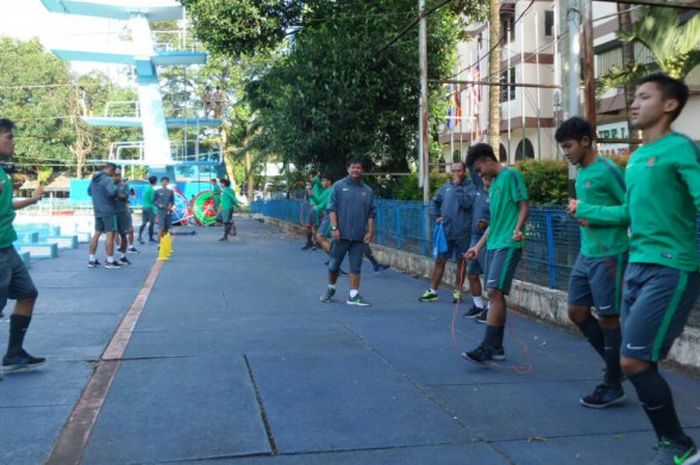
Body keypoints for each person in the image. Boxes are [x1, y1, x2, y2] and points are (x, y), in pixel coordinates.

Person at [571, 73, 700, 464]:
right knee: (640, 358)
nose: (634, 103)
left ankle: (679, 445)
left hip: (670, 266)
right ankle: (673, 444)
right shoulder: (638, 158)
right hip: (636, 264)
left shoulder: (682, 149)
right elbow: (630, 211)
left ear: (669, 105)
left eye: (644, 96)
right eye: (635, 96)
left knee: (633, 360)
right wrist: (587, 211)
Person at [556, 116, 628, 409]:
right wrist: (586, 215)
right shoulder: (582, 173)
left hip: (610, 254)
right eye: (562, 147)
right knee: (576, 311)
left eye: (569, 146)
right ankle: (619, 365)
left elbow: (630, 210)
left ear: (586, 141)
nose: (566, 152)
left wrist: (588, 210)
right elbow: (597, 213)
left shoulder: (607, 170)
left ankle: (613, 382)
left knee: (609, 317)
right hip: (587, 255)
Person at [463, 143, 529, 363]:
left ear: (488, 160)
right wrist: (477, 247)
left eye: (479, 169)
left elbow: (523, 206)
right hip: (493, 244)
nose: (479, 173)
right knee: (494, 293)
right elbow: (495, 221)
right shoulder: (493, 185)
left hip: (508, 244)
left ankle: (488, 347)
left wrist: (518, 229)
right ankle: (496, 347)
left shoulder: (511, 176)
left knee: (493, 291)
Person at [0, 118, 46, 377]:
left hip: (7, 246)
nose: (12, 141)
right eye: (8, 136)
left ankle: (14, 352)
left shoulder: (2, 174)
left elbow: (6, 207)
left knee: (27, 293)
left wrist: (32, 200)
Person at [320, 159, 376, 306]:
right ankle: (331, 288)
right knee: (333, 266)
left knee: (356, 267)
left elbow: (371, 214)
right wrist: (334, 228)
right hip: (340, 236)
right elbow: (332, 209)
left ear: (362, 170)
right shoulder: (338, 186)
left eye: (358, 167)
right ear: (348, 169)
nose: (356, 170)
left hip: (358, 237)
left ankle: (353, 295)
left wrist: (370, 232)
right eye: (353, 167)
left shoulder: (368, 191)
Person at [419, 162, 476, 304]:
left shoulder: (471, 187)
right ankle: (433, 291)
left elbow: (467, 204)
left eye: (459, 171)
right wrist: (436, 216)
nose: (456, 173)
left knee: (461, 262)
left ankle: (457, 292)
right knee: (440, 260)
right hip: (446, 231)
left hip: (463, 232)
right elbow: (435, 202)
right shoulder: (446, 187)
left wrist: (458, 188)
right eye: (454, 171)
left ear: (464, 172)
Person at [463, 176, 492, 321]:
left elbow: (501, 219)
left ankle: (490, 309)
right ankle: (478, 304)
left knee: (489, 277)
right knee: (472, 273)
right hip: (475, 237)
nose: (483, 176)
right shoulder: (480, 188)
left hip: (489, 239)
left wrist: (487, 224)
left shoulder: (497, 194)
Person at [88, 162, 125, 269]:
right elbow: (113, 192)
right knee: (110, 235)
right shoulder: (108, 180)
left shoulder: (94, 179)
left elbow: (89, 192)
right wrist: (116, 184)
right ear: (111, 169)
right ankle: (109, 260)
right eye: (115, 172)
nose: (115, 174)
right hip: (108, 210)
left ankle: (92, 259)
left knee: (97, 234)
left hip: (97, 210)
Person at [114, 169, 134, 266]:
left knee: (124, 234)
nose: (116, 177)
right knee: (111, 234)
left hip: (122, 213)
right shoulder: (109, 185)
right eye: (114, 175)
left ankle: (123, 256)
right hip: (111, 213)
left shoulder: (124, 186)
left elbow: (125, 197)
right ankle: (109, 258)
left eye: (118, 175)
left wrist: (115, 195)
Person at [302, 173, 323, 250]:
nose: (311, 178)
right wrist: (308, 186)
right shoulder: (313, 186)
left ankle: (318, 243)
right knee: (308, 225)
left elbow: (316, 181)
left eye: (313, 177)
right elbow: (309, 195)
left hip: (317, 208)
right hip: (311, 207)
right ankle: (309, 242)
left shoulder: (320, 185)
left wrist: (315, 177)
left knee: (317, 226)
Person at [138, 176, 157, 244]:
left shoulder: (145, 188)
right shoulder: (152, 190)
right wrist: (156, 210)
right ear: (155, 182)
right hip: (150, 208)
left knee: (144, 222)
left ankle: (139, 236)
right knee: (152, 223)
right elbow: (153, 200)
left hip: (144, 207)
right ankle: (150, 238)